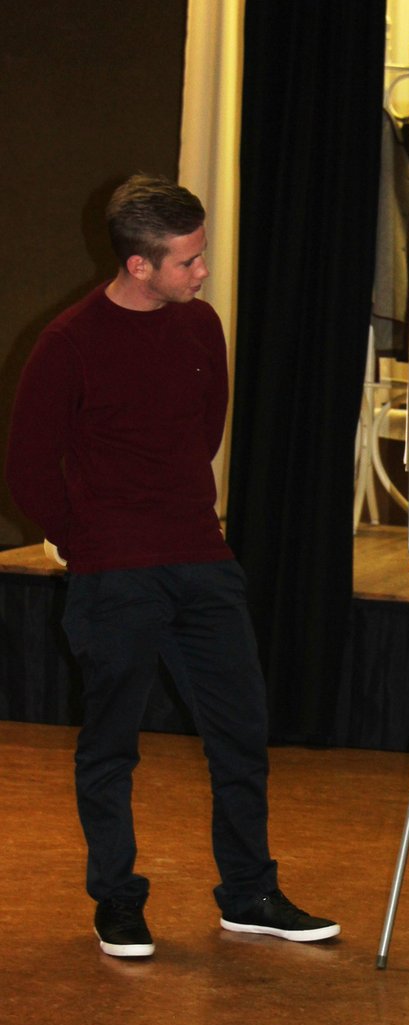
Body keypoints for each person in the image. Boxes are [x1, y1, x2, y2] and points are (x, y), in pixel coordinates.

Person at [5, 175, 339, 958]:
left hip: (201, 559)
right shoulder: (69, 342)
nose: (203, 271)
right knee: (112, 744)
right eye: (188, 261)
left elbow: (205, 430)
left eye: (201, 253)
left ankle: (250, 894)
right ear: (139, 265)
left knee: (241, 734)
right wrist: (87, 541)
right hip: (114, 571)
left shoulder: (199, 326)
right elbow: (27, 468)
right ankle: (117, 902)